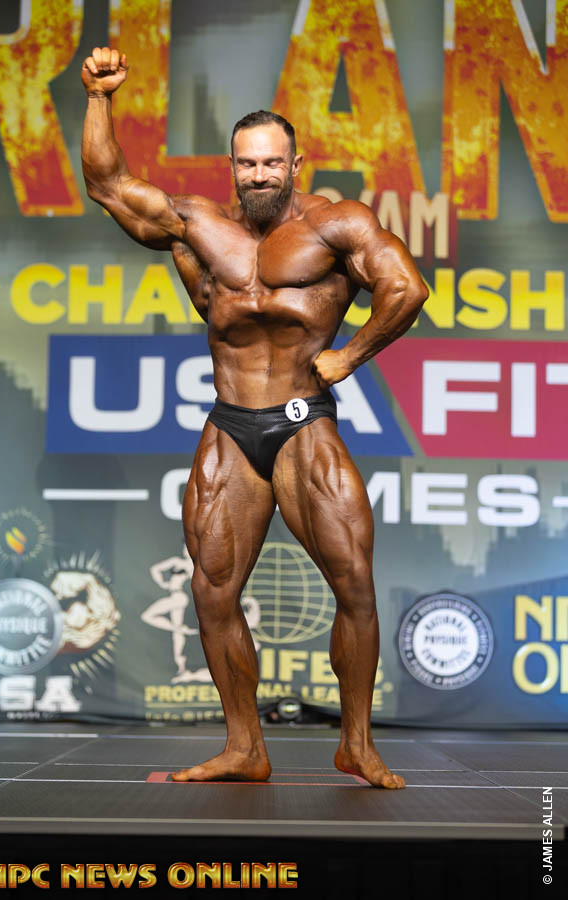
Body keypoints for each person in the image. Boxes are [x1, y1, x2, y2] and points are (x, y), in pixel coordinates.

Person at [81, 47, 428, 789]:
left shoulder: (337, 225)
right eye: (247, 164)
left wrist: (351, 355)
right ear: (232, 168)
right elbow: (107, 184)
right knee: (212, 590)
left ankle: (357, 744)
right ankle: (244, 746)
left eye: (272, 163)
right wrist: (100, 98)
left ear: (296, 165)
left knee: (354, 585)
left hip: (304, 421)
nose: (260, 175)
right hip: (231, 424)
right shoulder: (199, 225)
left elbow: (406, 287)